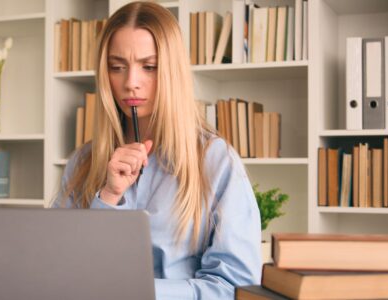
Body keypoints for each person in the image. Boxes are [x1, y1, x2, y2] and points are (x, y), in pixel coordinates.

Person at [54, 2, 262, 299]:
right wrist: (108, 198)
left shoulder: (216, 160)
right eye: (117, 67)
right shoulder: (82, 163)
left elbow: (234, 287)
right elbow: (58, 270)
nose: (131, 83)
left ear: (172, 71)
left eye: (148, 67)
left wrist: (137, 292)